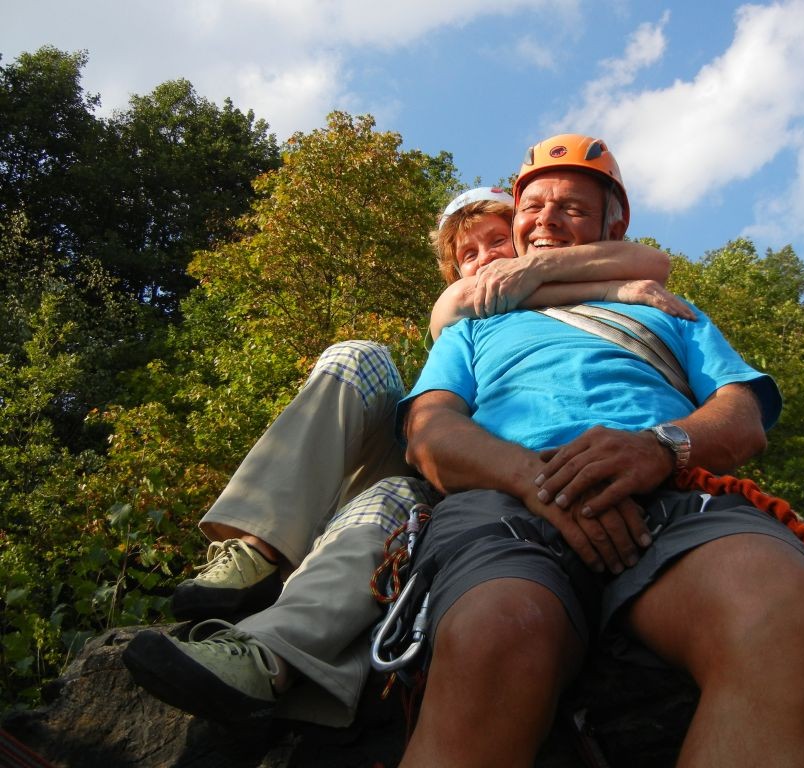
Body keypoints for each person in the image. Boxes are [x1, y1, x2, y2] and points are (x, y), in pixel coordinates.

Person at [122, 187, 693, 727]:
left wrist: (588, 282)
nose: (485, 259)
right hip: (430, 449)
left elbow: (650, 260)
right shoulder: (467, 316)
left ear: (524, 243)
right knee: (359, 357)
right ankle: (253, 547)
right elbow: (464, 306)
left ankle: (267, 656)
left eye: (498, 243)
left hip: (455, 480)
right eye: (467, 255)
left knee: (389, 503)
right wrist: (616, 288)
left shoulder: (559, 307)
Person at [397, 134, 804, 767]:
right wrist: (535, 479)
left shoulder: (669, 311)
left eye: (571, 208)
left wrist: (662, 449)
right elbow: (431, 433)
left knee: (782, 613)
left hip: (671, 492)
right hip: (507, 498)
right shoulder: (474, 324)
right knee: (491, 636)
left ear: (614, 223)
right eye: (532, 207)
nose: (545, 220)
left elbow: (741, 417)